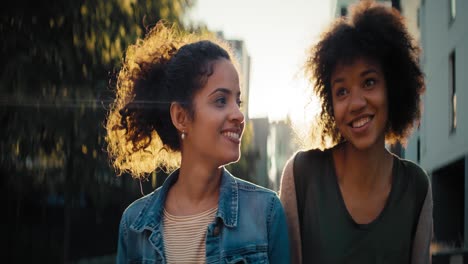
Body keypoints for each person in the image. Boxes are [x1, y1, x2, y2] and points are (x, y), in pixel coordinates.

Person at [106, 22, 290, 264]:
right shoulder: (134, 224)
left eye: (238, 101)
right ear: (181, 117)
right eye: (221, 100)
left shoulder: (266, 213)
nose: (238, 115)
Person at [279, 1, 432, 263]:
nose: (356, 103)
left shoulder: (416, 187)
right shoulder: (302, 174)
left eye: (369, 82)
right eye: (342, 91)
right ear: (330, 103)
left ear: (392, 87)